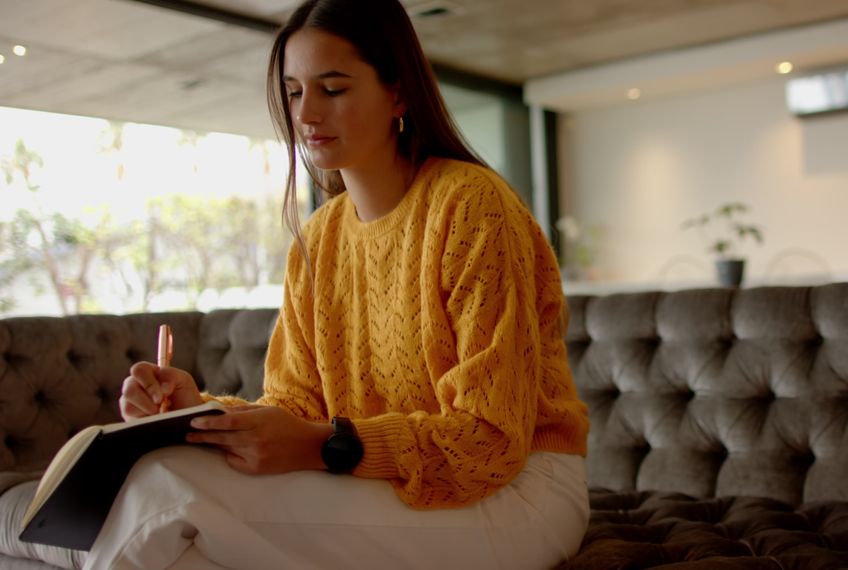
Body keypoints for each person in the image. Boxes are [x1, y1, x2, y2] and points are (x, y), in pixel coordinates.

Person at [92, 0, 591, 567]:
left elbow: (489, 443)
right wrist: (199, 413)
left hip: (520, 490)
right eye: (294, 91)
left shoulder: (470, 206)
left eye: (333, 89)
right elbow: (296, 405)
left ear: (398, 94)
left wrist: (317, 443)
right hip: (381, 479)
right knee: (182, 532)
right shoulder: (320, 236)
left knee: (167, 491)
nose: (307, 114)